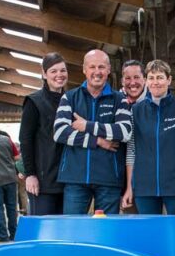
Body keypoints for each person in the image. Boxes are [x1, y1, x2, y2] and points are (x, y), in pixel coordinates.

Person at [53, 49, 131, 214]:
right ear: (84, 69)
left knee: (107, 232)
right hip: (75, 178)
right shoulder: (69, 97)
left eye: (101, 67)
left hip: (109, 179)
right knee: (73, 230)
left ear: (109, 69)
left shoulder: (119, 99)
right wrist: (98, 141)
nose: (97, 72)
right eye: (92, 67)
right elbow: (60, 132)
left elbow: (124, 132)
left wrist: (87, 125)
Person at [121, 59, 175, 219]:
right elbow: (131, 152)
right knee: (149, 234)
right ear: (146, 81)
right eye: (151, 77)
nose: (156, 82)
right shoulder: (135, 111)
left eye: (160, 77)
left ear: (168, 80)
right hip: (144, 187)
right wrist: (129, 187)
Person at [19, 52, 68, 215]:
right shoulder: (34, 102)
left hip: (69, 180)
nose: (59, 75)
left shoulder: (72, 100)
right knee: (45, 227)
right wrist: (30, 174)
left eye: (63, 70)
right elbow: (25, 140)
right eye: (54, 71)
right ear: (44, 74)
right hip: (43, 179)